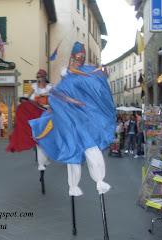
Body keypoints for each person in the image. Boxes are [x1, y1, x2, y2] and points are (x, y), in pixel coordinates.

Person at [29, 41, 116, 196]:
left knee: (90, 145)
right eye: (78, 56)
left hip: (83, 117)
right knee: (71, 148)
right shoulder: (67, 78)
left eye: (83, 56)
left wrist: (104, 73)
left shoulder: (87, 72)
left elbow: (96, 83)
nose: (81, 59)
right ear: (72, 57)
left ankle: (99, 181)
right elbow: (56, 93)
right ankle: (72, 185)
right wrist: (71, 101)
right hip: (66, 116)